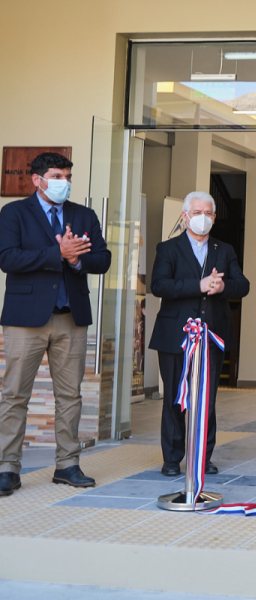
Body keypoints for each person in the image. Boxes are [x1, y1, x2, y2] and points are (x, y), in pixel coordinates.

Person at [0, 152, 111, 496]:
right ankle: (7, 468)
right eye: (56, 175)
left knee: (70, 395)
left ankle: (67, 465)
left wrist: (77, 259)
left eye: (67, 175)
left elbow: (103, 259)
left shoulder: (84, 214)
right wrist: (57, 254)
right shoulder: (14, 213)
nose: (63, 181)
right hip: (25, 319)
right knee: (15, 394)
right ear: (37, 179)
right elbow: (7, 258)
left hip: (70, 318)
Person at [149, 191, 250, 477]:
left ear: (214, 218)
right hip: (174, 335)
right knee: (174, 396)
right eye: (197, 213)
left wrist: (222, 288)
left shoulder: (225, 249)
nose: (203, 218)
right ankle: (172, 458)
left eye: (208, 213)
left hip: (212, 334)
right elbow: (160, 285)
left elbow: (242, 284)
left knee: (206, 399)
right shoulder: (168, 249)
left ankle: (203, 458)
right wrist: (199, 285)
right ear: (185, 216)